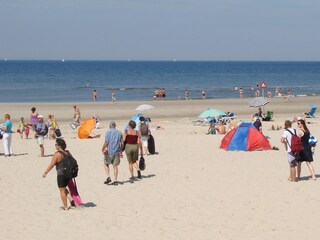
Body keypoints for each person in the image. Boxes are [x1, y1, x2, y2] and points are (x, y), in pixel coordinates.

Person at [42, 139, 75, 210]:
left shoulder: (57, 154)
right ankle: (71, 199)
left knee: (61, 190)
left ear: (59, 146)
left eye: (56, 144)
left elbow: (52, 164)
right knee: (63, 188)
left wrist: (46, 172)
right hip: (68, 174)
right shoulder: (68, 152)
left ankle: (65, 206)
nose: (55, 146)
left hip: (61, 174)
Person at [101, 121, 123, 185]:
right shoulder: (119, 132)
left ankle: (108, 176)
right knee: (115, 166)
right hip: (116, 152)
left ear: (110, 126)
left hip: (109, 152)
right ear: (115, 126)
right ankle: (115, 180)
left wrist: (102, 148)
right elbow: (122, 143)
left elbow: (106, 142)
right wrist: (121, 150)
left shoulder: (108, 132)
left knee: (106, 164)